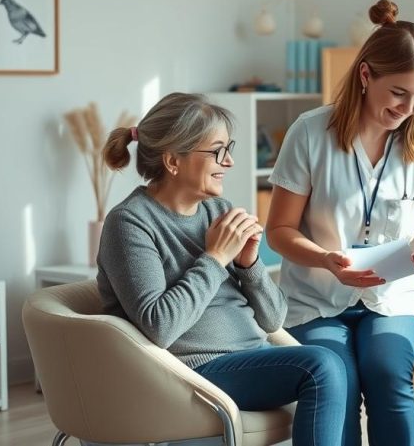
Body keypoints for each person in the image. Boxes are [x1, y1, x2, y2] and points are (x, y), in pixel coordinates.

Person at [97, 92, 346, 445]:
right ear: (172, 161)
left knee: (330, 363)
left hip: (251, 356)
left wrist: (249, 265)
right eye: (217, 151)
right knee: (322, 366)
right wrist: (214, 259)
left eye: (230, 149)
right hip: (189, 370)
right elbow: (159, 326)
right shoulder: (130, 223)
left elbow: (274, 320)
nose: (228, 162)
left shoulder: (218, 210)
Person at [265, 0, 414, 446]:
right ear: (366, 74)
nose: (408, 107)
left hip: (394, 297)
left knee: (387, 370)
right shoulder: (310, 133)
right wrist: (326, 259)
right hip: (315, 297)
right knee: (337, 382)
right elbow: (279, 231)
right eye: (398, 93)